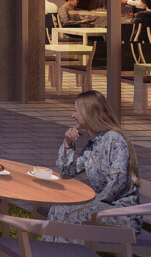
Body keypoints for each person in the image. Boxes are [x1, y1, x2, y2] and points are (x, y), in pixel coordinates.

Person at [49, 90, 142, 234]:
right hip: (102, 207)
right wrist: (68, 144)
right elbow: (66, 173)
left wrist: (92, 201)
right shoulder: (92, 145)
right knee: (58, 208)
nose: (72, 115)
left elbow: (117, 181)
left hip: (121, 213)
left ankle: (71, 256)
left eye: (76, 111)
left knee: (73, 215)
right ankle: (52, 254)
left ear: (88, 113)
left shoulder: (114, 139)